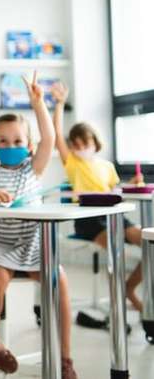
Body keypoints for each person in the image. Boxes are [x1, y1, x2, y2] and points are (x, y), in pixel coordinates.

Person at [0, 72, 77, 379]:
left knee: (60, 281)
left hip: (36, 243)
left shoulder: (32, 169)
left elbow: (50, 139)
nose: (11, 145)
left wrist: (38, 103)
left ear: (29, 145)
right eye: (3, 141)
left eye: (18, 140)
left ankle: (65, 358)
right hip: (0, 243)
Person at [52, 83, 144, 311]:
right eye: (77, 145)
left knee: (150, 244)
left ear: (95, 142)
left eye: (86, 143)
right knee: (116, 253)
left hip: (114, 216)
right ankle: (121, 299)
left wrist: (130, 186)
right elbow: (56, 136)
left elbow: (114, 190)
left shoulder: (106, 166)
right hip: (89, 220)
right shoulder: (73, 164)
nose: (82, 148)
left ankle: (128, 287)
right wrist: (60, 104)